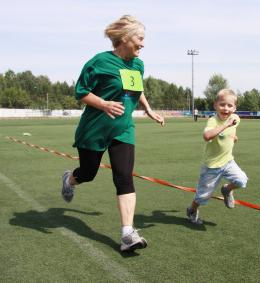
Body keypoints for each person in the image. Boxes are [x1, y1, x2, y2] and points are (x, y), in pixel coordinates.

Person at [61, 15, 165, 252]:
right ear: (124, 38)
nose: (143, 44)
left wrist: (148, 109)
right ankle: (69, 179)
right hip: (94, 129)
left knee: (124, 176)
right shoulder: (99, 62)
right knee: (88, 173)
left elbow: (136, 88)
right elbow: (81, 92)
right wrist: (104, 104)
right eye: (139, 38)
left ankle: (127, 233)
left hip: (123, 129)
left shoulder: (138, 65)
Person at [186, 89, 248, 224]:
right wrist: (225, 125)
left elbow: (231, 131)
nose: (226, 108)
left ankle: (226, 190)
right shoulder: (213, 121)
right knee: (203, 196)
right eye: (222, 104)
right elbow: (206, 136)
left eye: (230, 105)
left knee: (241, 180)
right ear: (215, 105)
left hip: (228, 161)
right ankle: (192, 209)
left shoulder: (236, 119)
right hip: (211, 166)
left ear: (235, 108)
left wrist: (233, 137)